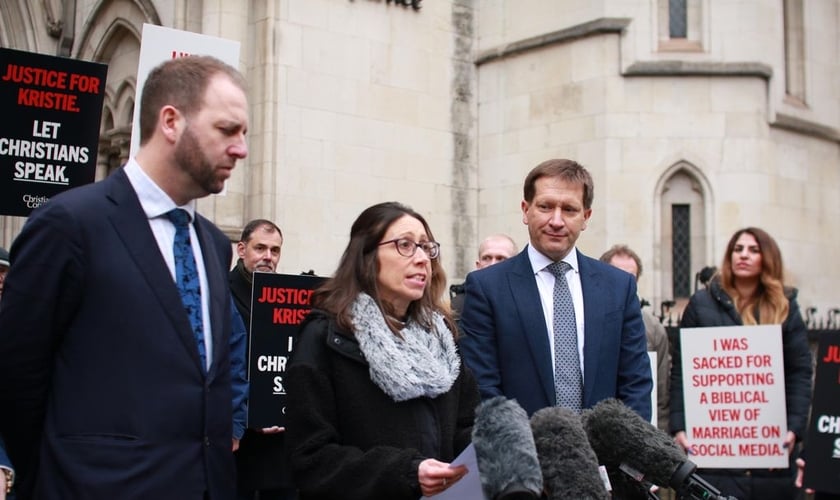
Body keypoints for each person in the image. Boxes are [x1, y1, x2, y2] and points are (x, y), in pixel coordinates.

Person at [0, 55, 248, 498]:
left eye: (244, 133)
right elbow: (17, 377)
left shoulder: (213, 244)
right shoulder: (70, 225)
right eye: (227, 130)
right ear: (170, 121)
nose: (241, 148)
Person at [285, 201, 480, 499]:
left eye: (427, 248)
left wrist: (495, 448)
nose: (422, 259)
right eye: (405, 245)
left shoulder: (443, 339)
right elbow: (311, 458)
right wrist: (405, 472)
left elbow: (463, 426)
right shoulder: (326, 337)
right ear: (367, 256)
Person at [459, 158, 653, 419]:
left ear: (586, 217)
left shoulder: (618, 287)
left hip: (604, 456)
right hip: (523, 453)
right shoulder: (488, 287)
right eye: (546, 207)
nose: (557, 221)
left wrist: (628, 454)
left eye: (570, 210)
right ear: (525, 210)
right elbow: (484, 387)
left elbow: (635, 383)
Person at [669, 227, 813, 500]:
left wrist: (794, 429)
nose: (743, 255)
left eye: (753, 250)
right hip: (713, 455)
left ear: (767, 258)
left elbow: (799, 372)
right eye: (738, 249)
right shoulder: (701, 304)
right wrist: (680, 427)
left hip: (768, 458)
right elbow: (682, 372)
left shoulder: (784, 306)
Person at [228, 219, 296, 500]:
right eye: (260, 248)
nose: (268, 257)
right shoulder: (220, 292)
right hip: (235, 438)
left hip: (280, 440)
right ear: (242, 249)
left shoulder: (290, 296)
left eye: (275, 250)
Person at [600, 244, 671, 431]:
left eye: (630, 278)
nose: (621, 282)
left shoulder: (653, 328)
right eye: (616, 274)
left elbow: (661, 394)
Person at [450, 233, 518, 318]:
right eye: (487, 258)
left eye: (501, 258)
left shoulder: (526, 302)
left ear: (515, 266)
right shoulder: (459, 306)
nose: (493, 264)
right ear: (478, 265)